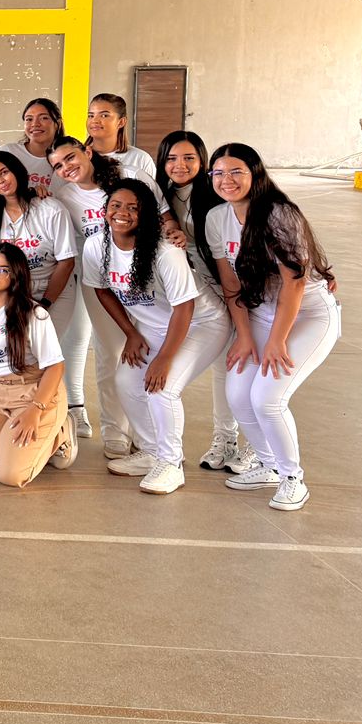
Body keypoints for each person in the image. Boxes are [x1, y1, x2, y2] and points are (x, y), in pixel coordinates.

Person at [207, 144, 340, 512]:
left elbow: (294, 283)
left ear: (256, 174)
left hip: (308, 314)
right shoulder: (217, 218)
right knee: (238, 396)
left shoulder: (280, 214)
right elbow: (229, 282)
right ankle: (268, 465)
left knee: (267, 399)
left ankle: (292, 478)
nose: (226, 179)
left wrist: (277, 341)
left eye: (236, 171)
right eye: (218, 173)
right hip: (260, 313)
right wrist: (245, 336)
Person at [83, 179, 231, 495]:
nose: (122, 213)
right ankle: (151, 451)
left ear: (147, 214)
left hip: (202, 323)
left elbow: (184, 308)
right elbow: (101, 289)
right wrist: (131, 332)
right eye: (115, 206)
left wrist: (164, 358)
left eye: (133, 208)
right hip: (154, 326)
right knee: (126, 381)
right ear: (105, 210)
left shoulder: (165, 252)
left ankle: (171, 463)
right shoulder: (97, 245)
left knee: (162, 388)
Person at [47, 135, 169, 454]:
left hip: (145, 277)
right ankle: (115, 429)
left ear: (87, 151)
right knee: (111, 354)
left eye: (70, 158)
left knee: (149, 352)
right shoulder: (63, 195)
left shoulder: (131, 175)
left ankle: (150, 433)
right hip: (101, 281)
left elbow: (165, 216)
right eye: (58, 166)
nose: (66, 168)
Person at [155, 130, 249, 472]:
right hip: (194, 289)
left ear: (202, 161)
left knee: (235, 366)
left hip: (231, 285)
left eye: (189, 158)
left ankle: (242, 443)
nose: (179, 165)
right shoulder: (161, 194)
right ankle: (226, 440)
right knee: (221, 367)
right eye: (171, 158)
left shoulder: (218, 192)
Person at [0, 241, 76, 487]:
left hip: (34, 391)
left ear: (16, 275)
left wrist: (35, 410)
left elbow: (55, 366)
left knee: (10, 475)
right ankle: (16, 439)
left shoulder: (34, 313)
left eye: (2, 269)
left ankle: (60, 432)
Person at [0, 150, 77, 343]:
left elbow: (66, 262)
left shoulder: (50, 208)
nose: (1, 181)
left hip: (54, 291)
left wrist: (44, 304)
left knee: (45, 350)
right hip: (13, 292)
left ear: (16, 170)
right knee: (19, 351)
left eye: (4, 172)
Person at [86, 93, 158, 180]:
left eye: (104, 115)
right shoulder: (79, 157)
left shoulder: (140, 159)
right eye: (91, 116)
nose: (94, 120)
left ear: (121, 122)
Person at [1, 97, 63, 195]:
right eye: (29, 119)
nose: (35, 124)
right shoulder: (7, 152)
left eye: (44, 118)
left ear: (57, 124)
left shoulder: (68, 159)